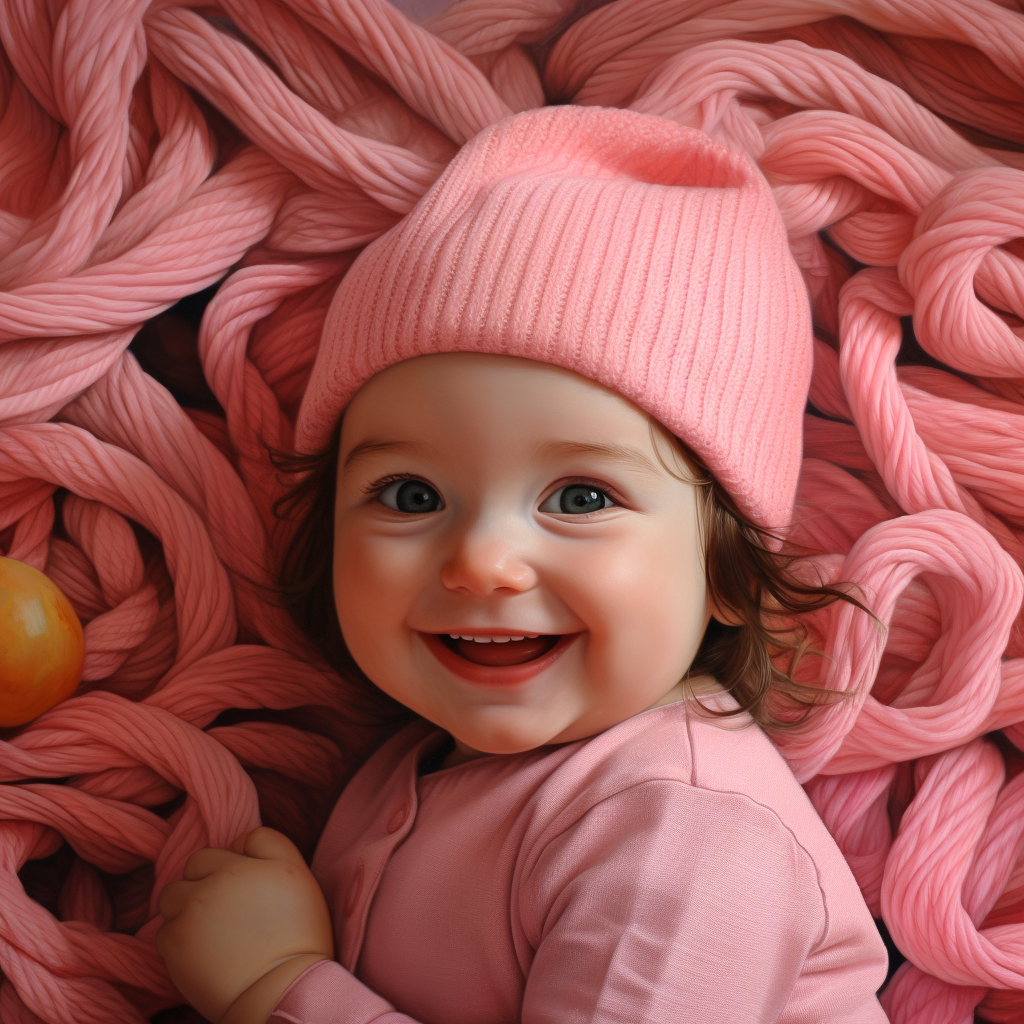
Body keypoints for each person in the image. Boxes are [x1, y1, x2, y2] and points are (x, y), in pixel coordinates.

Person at [155, 104, 892, 1024]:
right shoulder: (411, 767)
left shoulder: (688, 832)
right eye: (411, 496)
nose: (482, 562)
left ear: (731, 574)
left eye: (580, 498)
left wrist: (277, 987)